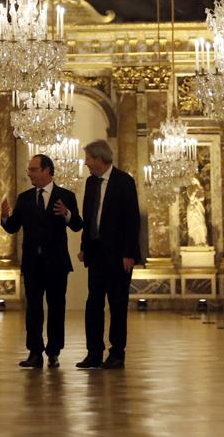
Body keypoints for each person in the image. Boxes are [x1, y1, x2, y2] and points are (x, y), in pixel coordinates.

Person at [0, 153, 82, 368]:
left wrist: (66, 214)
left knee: (56, 308)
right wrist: (5, 217)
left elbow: (77, 225)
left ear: (47, 170)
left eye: (34, 169)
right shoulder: (25, 198)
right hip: (32, 263)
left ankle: (54, 352)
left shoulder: (65, 196)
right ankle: (34, 352)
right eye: (29, 170)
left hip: (56, 263)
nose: (29, 173)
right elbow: (13, 227)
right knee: (33, 309)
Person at [78, 139, 141, 369]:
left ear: (99, 158)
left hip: (118, 256)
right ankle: (93, 352)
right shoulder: (91, 183)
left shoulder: (124, 181)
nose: (86, 163)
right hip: (96, 254)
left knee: (117, 305)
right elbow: (89, 217)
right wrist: (85, 246)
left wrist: (129, 253)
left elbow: (132, 220)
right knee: (93, 304)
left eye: (88, 159)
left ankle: (117, 353)